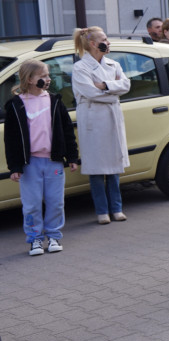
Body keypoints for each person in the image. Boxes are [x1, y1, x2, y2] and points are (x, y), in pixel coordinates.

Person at [4, 60, 79, 255]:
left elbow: (67, 130)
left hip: (53, 161)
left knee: (55, 201)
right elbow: (10, 139)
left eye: (48, 75)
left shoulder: (55, 100)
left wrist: (72, 156)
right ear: (29, 79)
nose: (48, 79)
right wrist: (15, 167)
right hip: (30, 165)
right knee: (31, 204)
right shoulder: (15, 105)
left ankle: (53, 235)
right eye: (43, 76)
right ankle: (35, 239)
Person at [72, 27, 130, 224]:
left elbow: (126, 85)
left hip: (112, 119)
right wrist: (113, 91)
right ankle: (101, 211)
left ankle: (117, 208)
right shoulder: (80, 68)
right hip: (93, 121)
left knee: (114, 167)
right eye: (105, 39)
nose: (109, 42)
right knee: (97, 169)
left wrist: (105, 86)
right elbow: (90, 93)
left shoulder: (114, 64)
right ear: (93, 44)